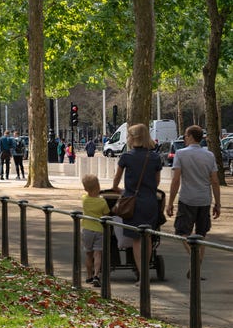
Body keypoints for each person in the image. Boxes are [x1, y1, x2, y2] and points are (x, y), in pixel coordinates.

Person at [166, 125, 221, 276]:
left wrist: (170, 202)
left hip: (187, 198)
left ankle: (193, 258)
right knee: (201, 234)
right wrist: (217, 203)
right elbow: (215, 181)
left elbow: (176, 180)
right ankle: (197, 266)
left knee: (182, 232)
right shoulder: (209, 155)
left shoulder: (181, 154)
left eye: (185, 135)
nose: (184, 138)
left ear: (190, 136)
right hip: (204, 199)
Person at [111, 123, 163, 279]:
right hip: (150, 202)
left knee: (136, 239)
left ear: (132, 138)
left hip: (132, 202)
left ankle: (141, 274)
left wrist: (122, 191)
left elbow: (115, 182)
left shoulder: (126, 157)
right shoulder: (154, 157)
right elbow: (157, 181)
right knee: (147, 238)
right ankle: (145, 271)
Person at [81, 174, 110, 287]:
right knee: (98, 254)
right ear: (98, 185)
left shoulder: (84, 199)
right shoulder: (102, 202)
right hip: (99, 230)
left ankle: (89, 275)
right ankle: (96, 275)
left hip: (87, 230)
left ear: (85, 188)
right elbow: (106, 213)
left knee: (89, 254)